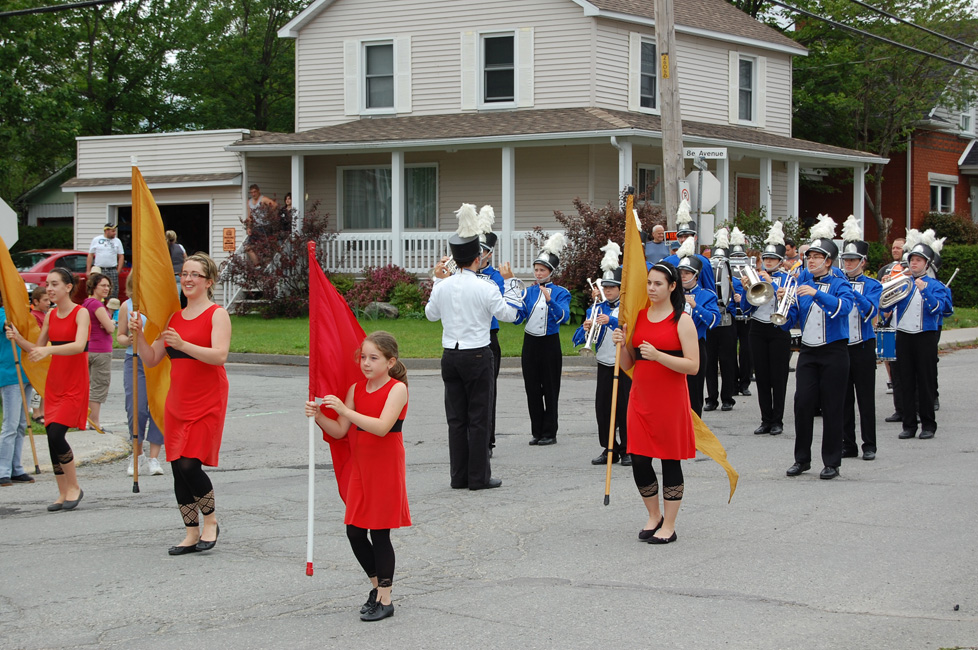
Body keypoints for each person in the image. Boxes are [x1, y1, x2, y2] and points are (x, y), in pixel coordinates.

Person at [303, 331, 411, 622]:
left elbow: (381, 427)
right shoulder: (355, 389)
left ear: (390, 362)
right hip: (361, 468)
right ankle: (376, 587)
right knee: (354, 530)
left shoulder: (396, 389)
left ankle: (386, 599)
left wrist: (345, 411)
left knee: (379, 532)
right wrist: (319, 416)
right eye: (362, 357)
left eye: (373, 358)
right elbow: (339, 431)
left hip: (385, 466)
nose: (365, 363)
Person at [130, 253, 230, 554]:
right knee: (177, 466)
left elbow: (219, 356)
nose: (187, 279)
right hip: (177, 399)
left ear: (208, 281)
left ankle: (210, 521)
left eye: (195, 275)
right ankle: (190, 531)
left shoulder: (217, 314)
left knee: (189, 463)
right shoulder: (173, 318)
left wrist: (184, 344)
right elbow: (151, 358)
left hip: (208, 397)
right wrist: (139, 336)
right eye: (184, 273)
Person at [425, 204, 520, 489]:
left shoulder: (442, 285)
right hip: (478, 354)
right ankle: (478, 477)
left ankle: (459, 476)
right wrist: (511, 283)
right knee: (479, 418)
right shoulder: (486, 286)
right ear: (478, 259)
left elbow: (431, 315)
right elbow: (511, 315)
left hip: (450, 355)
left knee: (456, 420)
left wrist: (435, 281)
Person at [612, 262, 699, 544]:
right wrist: (623, 344)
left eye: (658, 284)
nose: (651, 288)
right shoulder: (639, 316)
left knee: (670, 460)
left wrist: (660, 355)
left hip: (670, 400)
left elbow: (693, 366)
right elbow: (629, 363)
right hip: (640, 398)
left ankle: (670, 525)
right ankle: (654, 515)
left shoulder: (682, 320)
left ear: (673, 286)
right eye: (649, 282)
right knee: (638, 458)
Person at [7, 267, 91, 511]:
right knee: (52, 437)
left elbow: (79, 345)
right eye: (48, 284)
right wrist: (17, 337)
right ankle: (63, 491)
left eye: (55, 284)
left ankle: (74, 487)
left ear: (68, 287)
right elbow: (36, 348)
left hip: (74, 383)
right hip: (54, 383)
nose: (50, 288)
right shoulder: (52, 316)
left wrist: (49, 350)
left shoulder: (81, 312)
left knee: (56, 435)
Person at [780, 217, 854, 479]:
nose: (810, 260)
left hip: (834, 351)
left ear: (829, 261)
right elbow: (793, 321)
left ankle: (832, 461)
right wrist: (783, 309)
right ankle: (802, 459)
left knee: (833, 406)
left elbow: (844, 308)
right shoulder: (801, 280)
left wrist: (816, 294)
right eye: (809, 255)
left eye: (816, 256)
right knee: (803, 404)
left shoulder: (839, 282)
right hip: (808, 352)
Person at [573, 243, 630, 466]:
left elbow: (632, 330)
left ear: (620, 289)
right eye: (605, 288)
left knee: (624, 409)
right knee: (604, 409)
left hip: (624, 364)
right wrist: (584, 329)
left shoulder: (625, 309)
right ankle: (609, 449)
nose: (607, 291)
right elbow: (577, 339)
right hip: (605, 362)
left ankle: (627, 449)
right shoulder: (596, 308)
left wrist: (612, 321)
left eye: (611, 288)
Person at [890, 238, 951, 441]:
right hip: (904, 336)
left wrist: (924, 290)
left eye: (918, 260)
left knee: (925, 381)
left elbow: (938, 310)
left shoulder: (936, 285)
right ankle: (909, 424)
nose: (914, 263)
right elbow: (886, 308)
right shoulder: (902, 283)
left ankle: (928, 424)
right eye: (912, 260)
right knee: (905, 379)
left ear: (927, 264)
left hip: (925, 336)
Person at [516, 233, 572, 446]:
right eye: (536, 270)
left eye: (542, 270)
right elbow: (518, 318)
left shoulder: (560, 292)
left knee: (550, 388)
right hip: (530, 344)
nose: (538, 273)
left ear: (551, 272)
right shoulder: (528, 292)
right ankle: (537, 431)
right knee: (532, 388)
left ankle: (550, 432)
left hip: (550, 344)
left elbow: (563, 317)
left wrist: (550, 301)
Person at [838, 219, 882, 461]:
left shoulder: (873, 285)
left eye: (853, 260)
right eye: (845, 260)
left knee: (865, 398)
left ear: (863, 262)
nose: (848, 264)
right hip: (843, 346)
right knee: (844, 398)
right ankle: (848, 444)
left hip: (864, 346)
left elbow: (870, 313)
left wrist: (851, 290)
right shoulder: (837, 282)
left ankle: (869, 444)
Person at [745, 222, 793, 436]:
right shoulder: (756, 276)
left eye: (773, 259)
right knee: (762, 376)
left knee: (778, 376)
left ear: (781, 261)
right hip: (758, 328)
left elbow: (793, 308)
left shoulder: (788, 279)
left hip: (779, 329)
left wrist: (773, 285)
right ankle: (765, 419)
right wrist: (747, 289)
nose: (769, 262)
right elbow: (746, 308)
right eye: (766, 259)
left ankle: (778, 420)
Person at [117, 274, 165, 477]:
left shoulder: (160, 305)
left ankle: (154, 458)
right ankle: (137, 455)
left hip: (157, 361)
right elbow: (119, 337)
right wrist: (128, 339)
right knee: (135, 408)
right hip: (134, 360)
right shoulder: (126, 306)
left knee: (157, 407)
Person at [674, 237, 719, 417]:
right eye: (681, 272)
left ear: (696, 275)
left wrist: (695, 306)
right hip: (673, 346)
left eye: (687, 272)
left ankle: (694, 435)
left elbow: (713, 321)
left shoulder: (706, 295)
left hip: (696, 346)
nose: (683, 275)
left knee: (694, 394)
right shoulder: (671, 294)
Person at [704, 228, 743, 413]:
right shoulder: (706, 280)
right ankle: (711, 398)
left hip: (727, 322)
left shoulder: (735, 281)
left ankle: (728, 397)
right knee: (709, 361)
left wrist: (738, 299)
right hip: (711, 323)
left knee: (727, 362)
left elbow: (745, 302)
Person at [477, 223, 505, 455]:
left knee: (487, 392)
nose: (477, 254)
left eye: (481, 249)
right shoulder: (462, 273)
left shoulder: (495, 277)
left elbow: (500, 307)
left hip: (488, 336)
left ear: (489, 253)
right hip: (467, 337)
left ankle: (487, 440)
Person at [0, 297, 34, 487]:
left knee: (22, 423)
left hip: (25, 372)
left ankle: (16, 467)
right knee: (10, 424)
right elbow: (8, 324)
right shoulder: (3, 314)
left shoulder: (21, 314)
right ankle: (2, 469)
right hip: (10, 373)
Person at [83, 273, 115, 432]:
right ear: (94, 286)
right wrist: (112, 323)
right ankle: (94, 422)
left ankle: (85, 419)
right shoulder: (97, 305)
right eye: (103, 285)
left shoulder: (86, 304)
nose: (106, 288)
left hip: (88, 348)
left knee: (87, 386)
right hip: (101, 350)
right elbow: (109, 328)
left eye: (108, 286)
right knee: (99, 386)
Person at [662, 201, 717, 294]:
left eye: (687, 236)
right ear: (678, 239)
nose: (684, 240)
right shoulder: (668, 261)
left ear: (695, 238)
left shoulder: (703, 261)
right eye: (681, 237)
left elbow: (710, 290)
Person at [87, 223, 125, 299]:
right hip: (99, 269)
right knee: (98, 289)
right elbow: (90, 255)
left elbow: (121, 256)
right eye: (113, 231)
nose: (115, 233)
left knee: (113, 291)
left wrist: (118, 270)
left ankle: (111, 309)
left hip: (112, 269)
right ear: (106, 231)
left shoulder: (117, 241)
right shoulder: (96, 240)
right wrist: (88, 270)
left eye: (115, 231)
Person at [29, 286, 49, 422]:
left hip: (46, 353)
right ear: (36, 301)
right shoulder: (33, 316)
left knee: (45, 384)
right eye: (45, 300)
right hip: (37, 353)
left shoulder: (45, 315)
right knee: (36, 386)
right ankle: (36, 412)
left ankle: (43, 411)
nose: (49, 303)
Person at [245, 184, 278, 265]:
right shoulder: (249, 202)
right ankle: (257, 266)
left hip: (264, 227)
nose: (253, 194)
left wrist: (268, 214)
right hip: (255, 227)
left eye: (255, 192)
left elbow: (275, 205)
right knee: (248, 248)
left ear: (258, 191)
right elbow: (250, 216)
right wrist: (249, 227)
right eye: (251, 192)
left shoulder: (263, 199)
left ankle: (266, 268)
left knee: (265, 250)